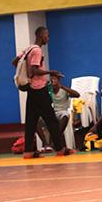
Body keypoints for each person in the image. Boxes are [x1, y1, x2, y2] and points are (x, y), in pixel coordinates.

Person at [13, 26, 75, 159]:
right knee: (51, 120)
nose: (48, 38)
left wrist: (26, 71)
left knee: (31, 121)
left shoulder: (28, 49)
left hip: (31, 89)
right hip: (39, 89)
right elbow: (35, 71)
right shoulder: (37, 51)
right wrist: (50, 72)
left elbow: (15, 62)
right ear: (41, 36)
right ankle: (60, 149)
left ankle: (28, 151)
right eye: (47, 35)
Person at [37, 75, 80, 149]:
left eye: (54, 79)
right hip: (50, 113)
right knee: (35, 119)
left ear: (58, 80)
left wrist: (62, 87)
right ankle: (45, 143)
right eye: (51, 80)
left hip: (61, 112)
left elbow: (77, 95)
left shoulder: (63, 90)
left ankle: (54, 140)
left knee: (65, 115)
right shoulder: (48, 91)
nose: (52, 81)